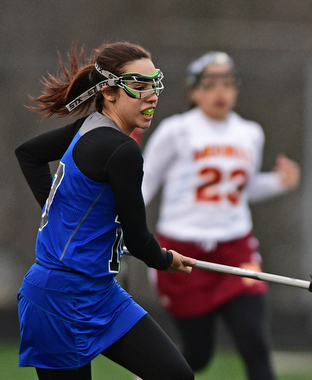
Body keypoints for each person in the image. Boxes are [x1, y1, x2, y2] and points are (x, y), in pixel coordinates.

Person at [15, 41, 197, 380]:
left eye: (155, 83)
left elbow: (29, 154)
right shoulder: (121, 151)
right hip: (57, 299)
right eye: (139, 86)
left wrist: (61, 214)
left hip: (101, 294)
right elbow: (139, 240)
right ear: (109, 92)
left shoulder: (91, 126)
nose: (152, 95)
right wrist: (165, 260)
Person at [141, 51, 300, 380]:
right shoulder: (176, 130)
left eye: (228, 83)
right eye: (210, 84)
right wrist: (118, 222)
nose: (220, 92)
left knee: (255, 345)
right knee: (197, 356)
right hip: (182, 254)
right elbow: (143, 181)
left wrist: (279, 183)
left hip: (235, 250)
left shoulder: (250, 133)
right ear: (193, 91)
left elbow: (243, 187)